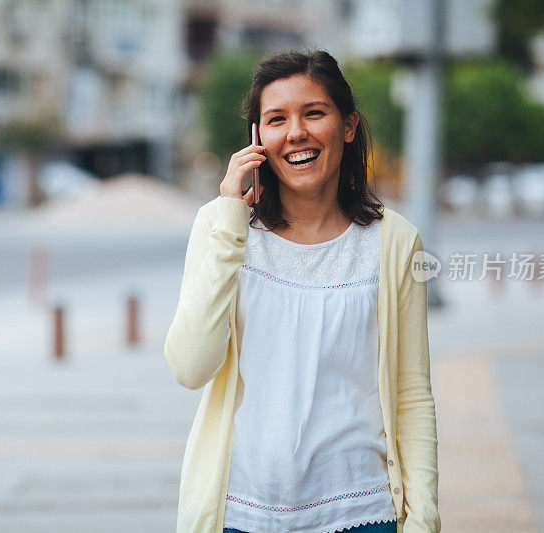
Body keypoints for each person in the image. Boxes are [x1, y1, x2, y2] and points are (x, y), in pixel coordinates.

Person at [164, 49, 440, 533]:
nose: (296, 133)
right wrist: (232, 221)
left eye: (314, 113)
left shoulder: (395, 241)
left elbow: (412, 392)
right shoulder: (219, 226)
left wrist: (424, 518)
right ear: (257, 138)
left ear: (349, 126)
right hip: (242, 512)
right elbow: (190, 368)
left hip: (362, 513)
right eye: (276, 119)